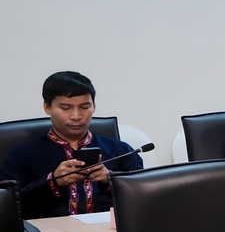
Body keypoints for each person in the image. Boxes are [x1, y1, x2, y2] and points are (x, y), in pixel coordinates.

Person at [0, 71, 143, 219]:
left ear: (94, 106)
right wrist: (53, 181)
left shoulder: (121, 151)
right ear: (47, 107)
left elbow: (142, 196)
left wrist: (110, 179)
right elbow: (7, 206)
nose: (76, 116)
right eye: (65, 108)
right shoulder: (21, 155)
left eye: (84, 107)